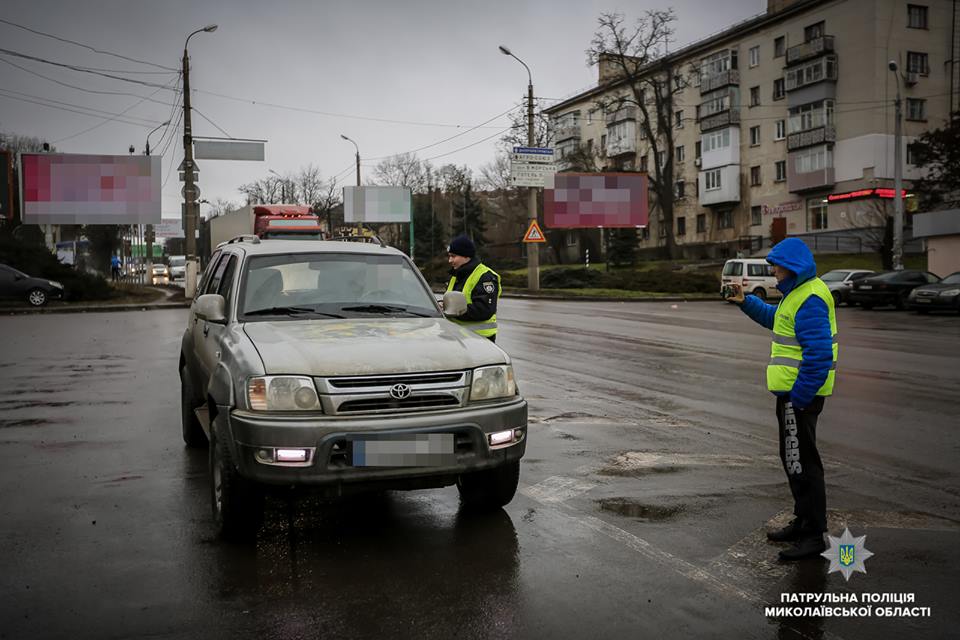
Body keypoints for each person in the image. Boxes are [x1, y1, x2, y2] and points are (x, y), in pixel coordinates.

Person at [728, 238, 837, 561]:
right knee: (795, 460)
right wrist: (744, 301)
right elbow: (775, 319)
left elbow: (819, 355)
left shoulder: (811, 298)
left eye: (775, 266)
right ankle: (803, 522)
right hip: (793, 394)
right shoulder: (797, 294)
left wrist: (800, 398)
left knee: (803, 463)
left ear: (790, 267)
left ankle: (814, 535)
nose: (772, 271)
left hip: (799, 395)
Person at [445, 235, 501, 342]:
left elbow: (484, 310)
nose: (450, 260)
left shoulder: (485, 277)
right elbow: (453, 300)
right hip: (460, 337)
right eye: (449, 256)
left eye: (453, 256)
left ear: (466, 256)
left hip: (480, 340)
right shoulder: (457, 275)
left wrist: (452, 310)